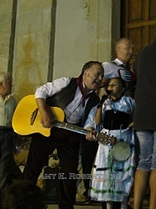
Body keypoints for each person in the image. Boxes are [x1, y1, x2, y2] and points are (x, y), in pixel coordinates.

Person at [23, 61, 104, 209]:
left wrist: (90, 131)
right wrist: (44, 111)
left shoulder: (94, 100)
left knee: (69, 175)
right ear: (85, 73)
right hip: (46, 131)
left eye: (102, 76)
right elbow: (41, 91)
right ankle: (22, 204)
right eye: (97, 74)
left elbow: (89, 121)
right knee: (32, 169)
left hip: (69, 137)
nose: (100, 78)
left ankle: (66, 207)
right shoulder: (66, 82)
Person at [84, 77, 136, 209]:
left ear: (122, 88)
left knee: (122, 173)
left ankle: (123, 204)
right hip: (107, 139)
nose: (110, 87)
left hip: (123, 138)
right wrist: (101, 105)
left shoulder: (128, 102)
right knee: (107, 174)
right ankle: (108, 205)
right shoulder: (105, 103)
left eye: (114, 85)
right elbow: (97, 122)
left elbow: (137, 116)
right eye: (109, 85)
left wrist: (131, 126)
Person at [133, 42, 156, 209]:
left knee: (143, 162)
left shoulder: (142, 53)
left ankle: (137, 205)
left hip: (141, 115)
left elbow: (135, 72)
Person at [0, 72, 20, 193]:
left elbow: (16, 118)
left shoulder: (13, 100)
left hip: (7, 133)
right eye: (9, 84)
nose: (11, 86)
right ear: (1, 84)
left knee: (3, 167)